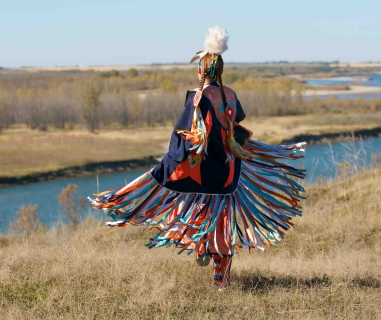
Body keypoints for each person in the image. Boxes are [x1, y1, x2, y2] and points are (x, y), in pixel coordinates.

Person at [89, 26, 306, 291]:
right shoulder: (232, 96)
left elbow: (182, 137)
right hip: (226, 174)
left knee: (193, 210)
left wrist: (168, 165)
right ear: (221, 71)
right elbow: (233, 125)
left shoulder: (196, 98)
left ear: (200, 70)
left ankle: (201, 246)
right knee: (222, 222)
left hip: (199, 173)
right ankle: (220, 275)